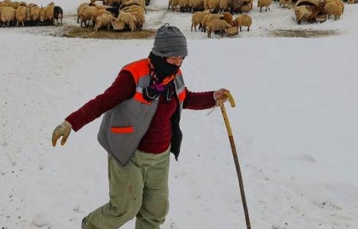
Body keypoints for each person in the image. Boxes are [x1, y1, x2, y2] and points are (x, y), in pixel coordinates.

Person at [52, 23, 230, 229]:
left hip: (160, 156)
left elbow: (185, 98)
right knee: (125, 208)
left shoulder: (174, 76)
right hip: (129, 153)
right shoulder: (133, 75)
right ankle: (91, 225)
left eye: (182, 58)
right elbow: (103, 102)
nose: (178, 63)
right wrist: (71, 123)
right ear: (160, 54)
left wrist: (213, 97)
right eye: (173, 57)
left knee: (155, 211)